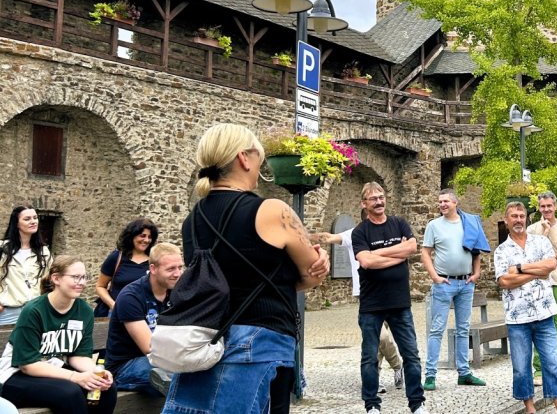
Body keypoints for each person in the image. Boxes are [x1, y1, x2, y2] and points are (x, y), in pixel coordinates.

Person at [164, 123, 329, 414]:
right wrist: (319, 267)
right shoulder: (273, 211)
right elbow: (308, 273)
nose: (261, 165)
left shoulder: (192, 220)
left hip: (206, 341)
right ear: (244, 158)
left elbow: (208, 282)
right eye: (259, 157)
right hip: (262, 340)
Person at [0, 255, 116, 414]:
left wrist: (96, 373)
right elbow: (28, 365)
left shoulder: (84, 311)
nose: (81, 282)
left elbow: (79, 355)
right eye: (75, 277)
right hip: (15, 375)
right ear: (56, 279)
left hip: (53, 369)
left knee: (106, 389)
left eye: (84, 277)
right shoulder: (34, 311)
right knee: (70, 393)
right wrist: (76, 377)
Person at [351, 182, 427, 414]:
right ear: (364, 204)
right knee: (369, 358)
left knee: (411, 355)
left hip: (399, 303)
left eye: (381, 197)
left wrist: (378, 253)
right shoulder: (360, 232)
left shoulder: (399, 223)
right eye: (373, 198)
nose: (379, 202)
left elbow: (412, 247)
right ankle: (372, 405)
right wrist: (398, 254)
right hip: (371, 306)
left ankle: (417, 403)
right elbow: (366, 262)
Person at [494, 201, 557, 414]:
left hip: (544, 315)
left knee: (553, 364)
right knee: (521, 368)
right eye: (514, 216)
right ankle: (530, 408)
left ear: (526, 218)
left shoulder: (541, 242)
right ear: (506, 220)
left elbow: (551, 265)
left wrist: (519, 268)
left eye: (521, 216)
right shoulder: (501, 251)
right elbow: (504, 281)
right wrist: (537, 273)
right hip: (517, 319)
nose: (518, 220)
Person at [311, 228, 404, 394]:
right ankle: (395, 366)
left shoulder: (390, 229)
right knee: (379, 336)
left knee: (378, 339)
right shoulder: (354, 234)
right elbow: (328, 237)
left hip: (390, 292)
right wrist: (305, 235)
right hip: (367, 295)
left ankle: (377, 376)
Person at [420, 189, 486, 390]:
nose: (442, 204)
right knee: (437, 329)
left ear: (455, 203)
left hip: (465, 283)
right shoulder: (434, 226)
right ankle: (430, 375)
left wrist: (476, 273)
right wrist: (434, 277)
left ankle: (464, 373)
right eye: (440, 201)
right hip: (444, 283)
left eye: (446, 201)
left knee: (463, 328)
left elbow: (476, 251)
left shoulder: (469, 223)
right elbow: (425, 252)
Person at [105, 242, 183, 396]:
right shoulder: (131, 296)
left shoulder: (177, 293)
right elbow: (149, 347)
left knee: (198, 371)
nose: (178, 274)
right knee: (175, 376)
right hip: (126, 366)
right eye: (171, 269)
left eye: (180, 267)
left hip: (161, 359)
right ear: (153, 269)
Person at [526, 191, 557, 389]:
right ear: (539, 207)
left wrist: (548, 254)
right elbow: (530, 257)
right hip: (538, 284)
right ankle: (539, 370)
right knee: (538, 328)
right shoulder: (532, 229)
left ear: (555, 206)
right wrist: (545, 235)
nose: (546, 209)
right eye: (543, 206)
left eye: (549, 206)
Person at [93, 218, 159, 317]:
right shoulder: (116, 257)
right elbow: (100, 286)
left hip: (145, 313)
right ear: (132, 236)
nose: (146, 240)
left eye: (150, 237)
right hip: (118, 313)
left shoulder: (154, 260)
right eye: (142, 236)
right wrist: (113, 305)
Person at [0, 205, 52, 325]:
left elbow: (49, 281)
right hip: (7, 313)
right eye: (27, 219)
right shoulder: (2, 249)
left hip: (36, 311)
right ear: (17, 223)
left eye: (35, 218)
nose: (33, 221)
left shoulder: (43, 251)